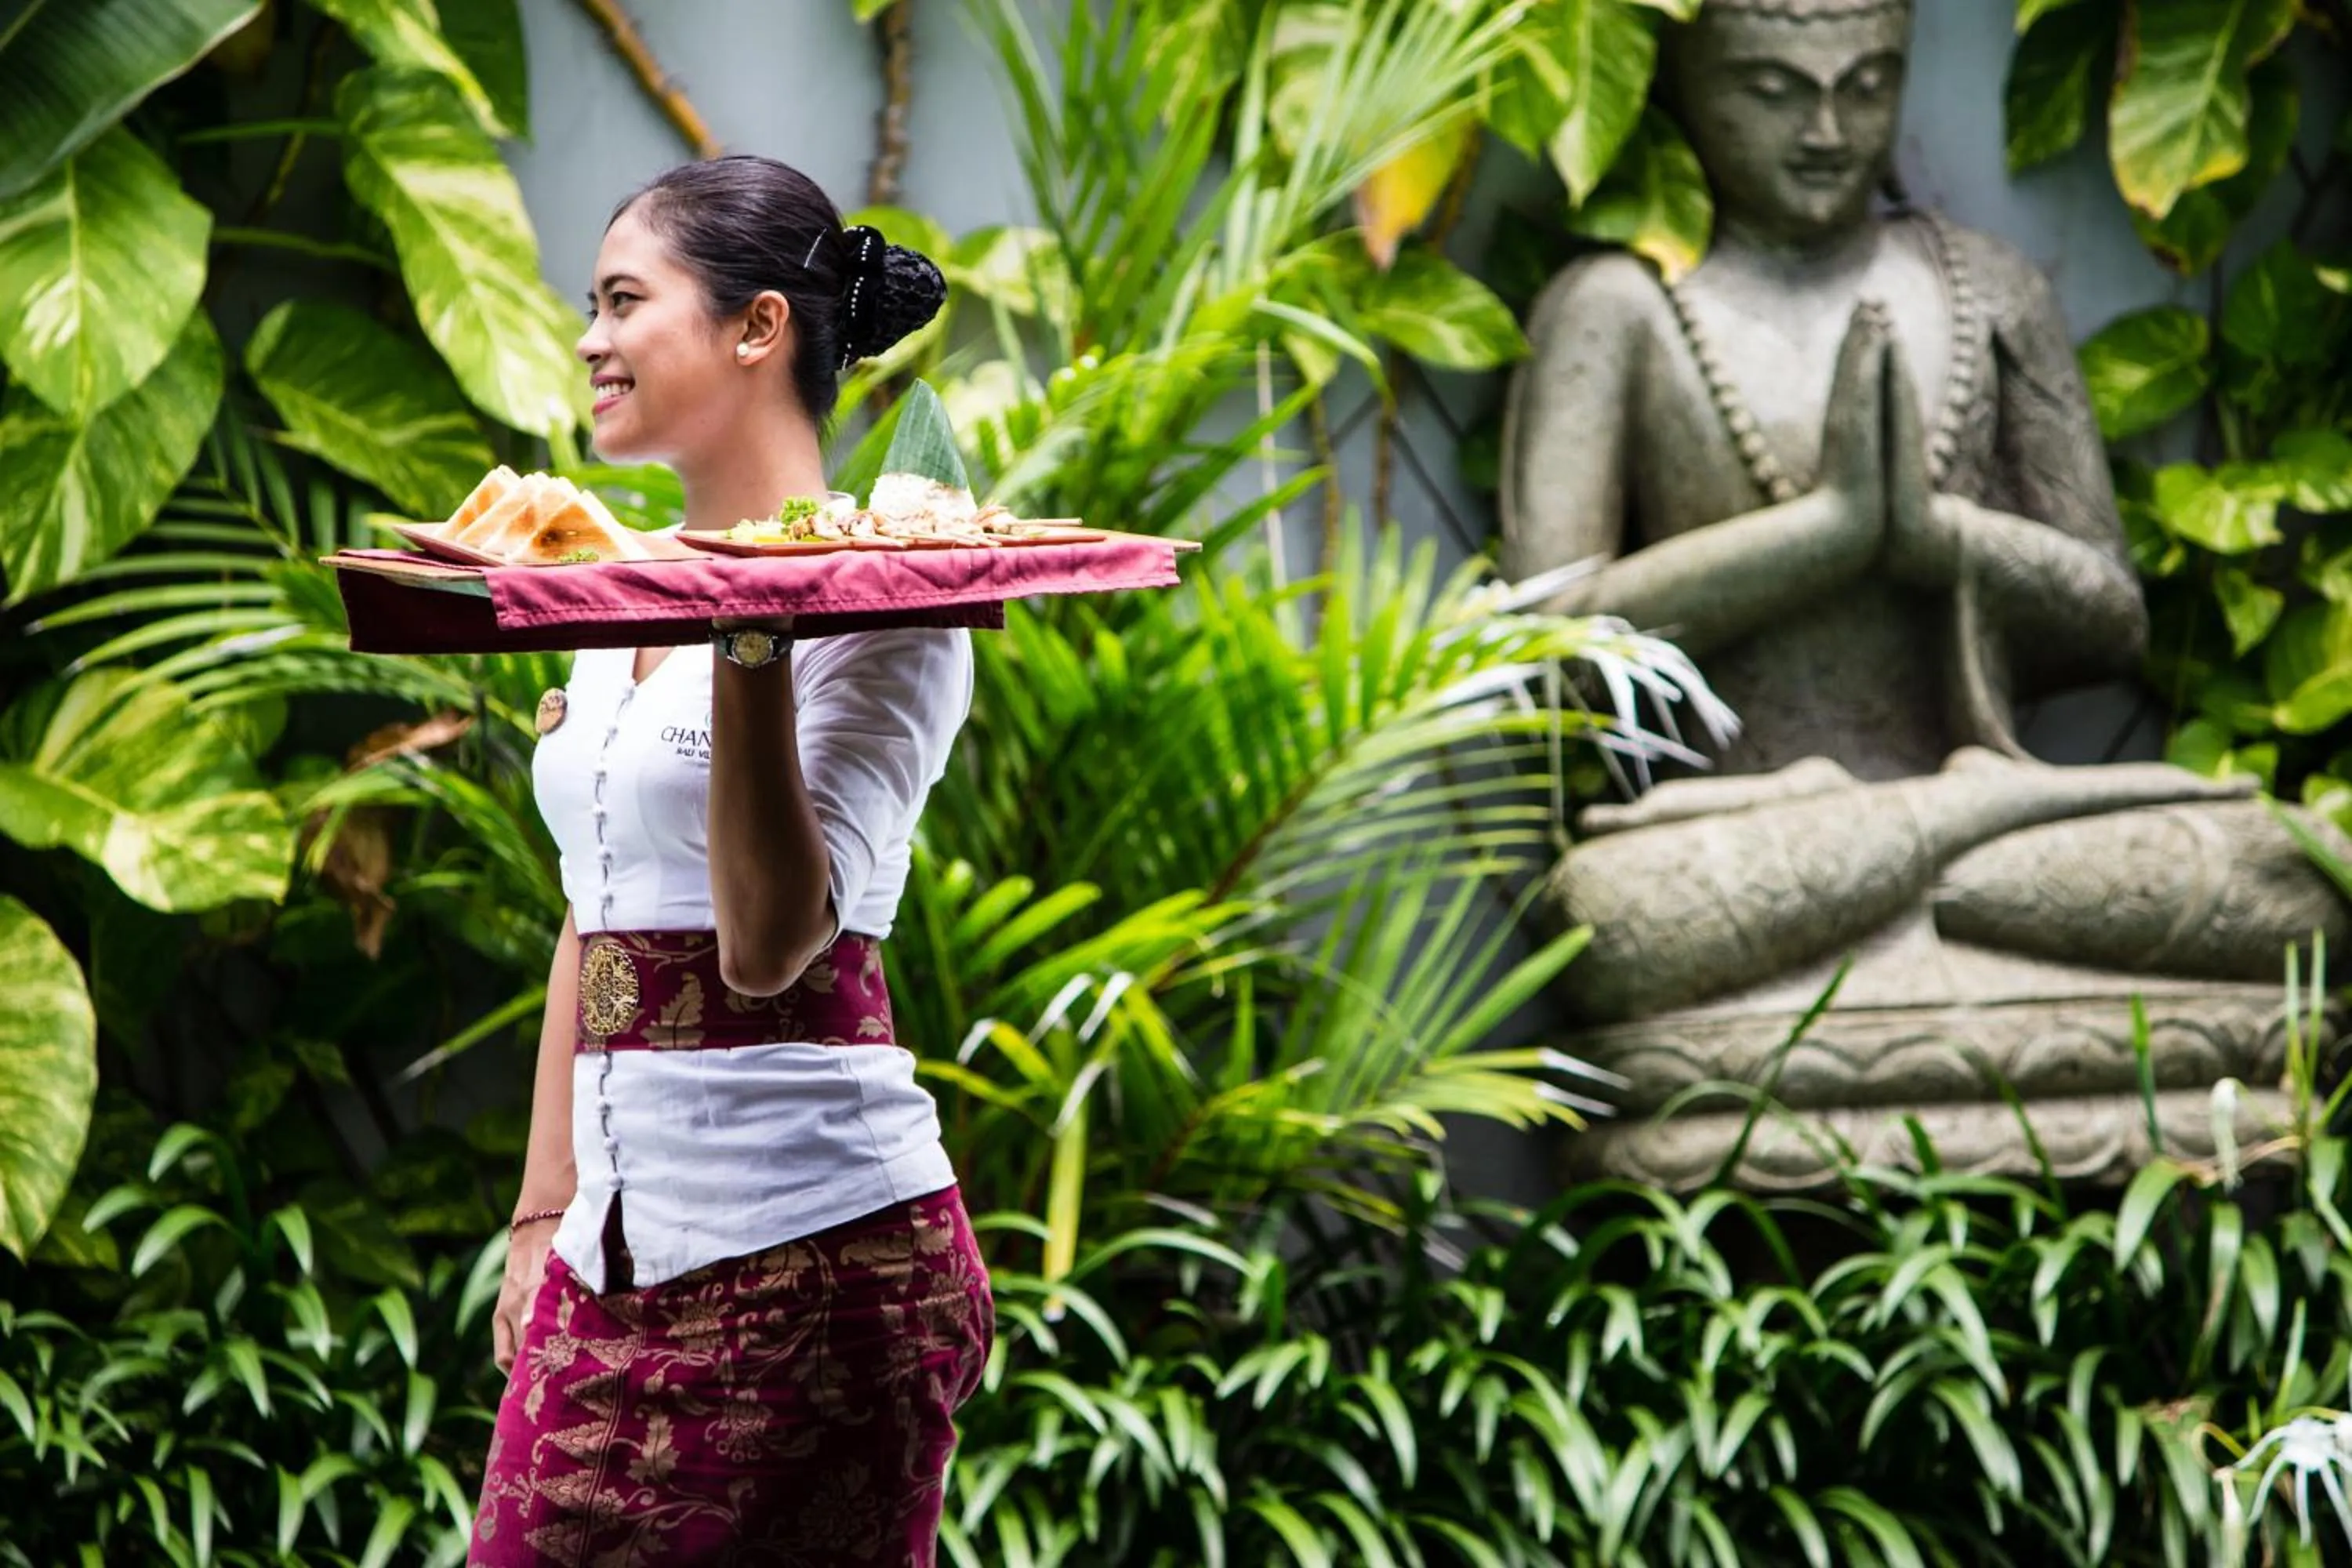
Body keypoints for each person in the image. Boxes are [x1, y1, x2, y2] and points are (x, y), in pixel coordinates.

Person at [468, 155, 992, 1566]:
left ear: (758, 327)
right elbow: (595, 910)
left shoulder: (891, 607)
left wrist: (750, 631)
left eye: (624, 301)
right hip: (609, 1260)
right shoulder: (610, 584)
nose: (591, 339)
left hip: (820, 1263)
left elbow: (768, 946)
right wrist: (543, 1207)